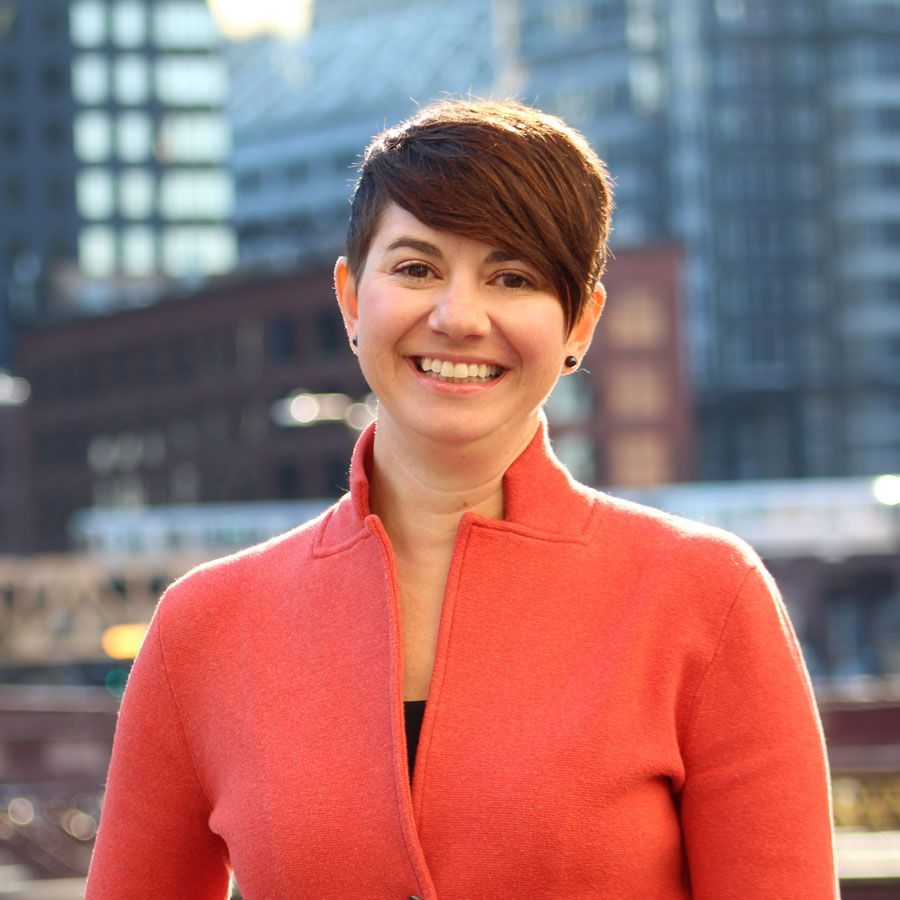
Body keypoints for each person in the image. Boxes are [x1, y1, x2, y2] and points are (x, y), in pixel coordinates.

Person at [86, 99, 838, 898]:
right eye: (416, 268)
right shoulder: (203, 626)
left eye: (512, 277)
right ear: (349, 296)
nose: (458, 318)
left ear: (581, 321)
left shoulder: (706, 598)